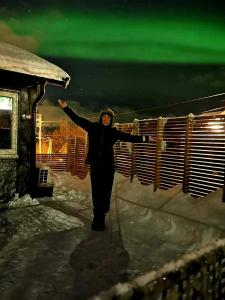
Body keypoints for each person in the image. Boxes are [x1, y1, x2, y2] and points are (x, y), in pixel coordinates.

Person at [58, 99, 153, 231]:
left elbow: (130, 137)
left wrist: (146, 138)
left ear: (111, 120)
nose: (106, 119)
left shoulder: (113, 132)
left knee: (105, 192)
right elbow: (78, 120)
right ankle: (98, 219)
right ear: (101, 118)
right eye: (104, 117)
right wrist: (66, 107)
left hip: (108, 167)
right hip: (96, 166)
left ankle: (102, 212)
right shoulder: (93, 128)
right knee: (96, 192)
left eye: (108, 118)